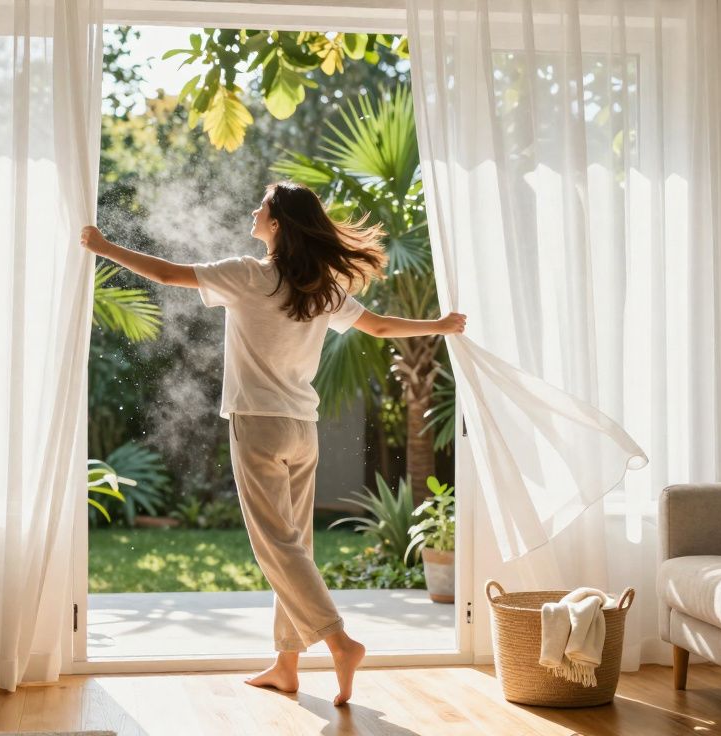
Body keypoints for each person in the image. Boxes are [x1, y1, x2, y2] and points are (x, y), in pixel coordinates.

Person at [79, 181, 466, 707]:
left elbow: (169, 274)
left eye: (261, 205)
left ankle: (339, 642)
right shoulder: (321, 287)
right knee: (296, 546)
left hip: (257, 426)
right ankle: (287, 666)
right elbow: (375, 327)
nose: (253, 210)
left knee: (276, 547)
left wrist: (104, 247)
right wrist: (439, 325)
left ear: (278, 224)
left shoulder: (247, 274)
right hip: (302, 429)